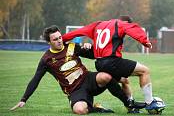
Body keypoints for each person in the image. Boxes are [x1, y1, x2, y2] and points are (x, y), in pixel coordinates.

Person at [10, 25, 143, 115]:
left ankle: (129, 105)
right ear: (48, 42)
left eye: (60, 37)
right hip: (75, 90)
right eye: (55, 39)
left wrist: (89, 47)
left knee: (106, 76)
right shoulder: (46, 60)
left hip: (88, 79)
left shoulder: (72, 46)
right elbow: (36, 79)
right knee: (80, 110)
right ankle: (95, 107)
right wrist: (24, 99)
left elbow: (95, 55)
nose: (59, 41)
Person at [62, 15, 165, 111]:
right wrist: (145, 41)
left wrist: (63, 39)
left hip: (99, 63)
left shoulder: (98, 25)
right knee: (144, 71)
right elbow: (134, 29)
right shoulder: (120, 24)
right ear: (125, 22)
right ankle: (150, 102)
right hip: (112, 61)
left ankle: (130, 105)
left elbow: (79, 31)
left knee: (124, 80)